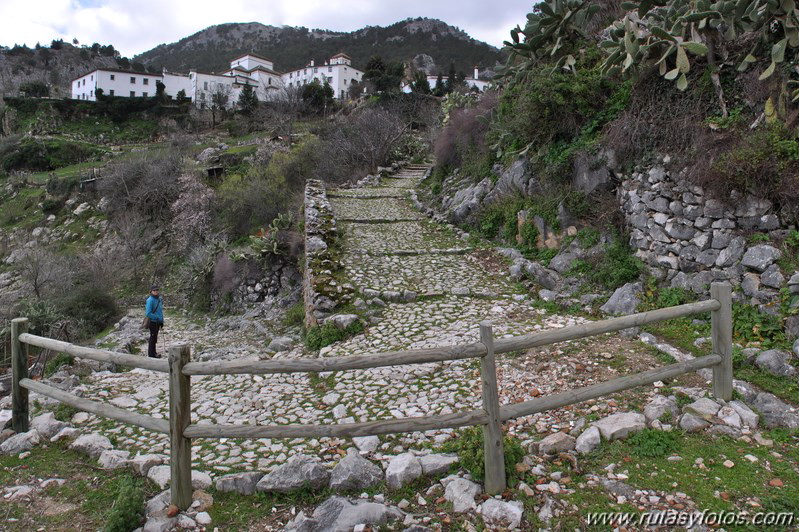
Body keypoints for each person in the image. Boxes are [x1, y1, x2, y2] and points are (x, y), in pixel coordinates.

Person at [145, 285, 164, 358]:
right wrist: (157, 318)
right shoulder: (150, 300)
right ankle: (151, 354)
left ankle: (154, 352)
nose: (156, 291)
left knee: (155, 338)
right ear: (151, 291)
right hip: (152, 322)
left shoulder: (159, 299)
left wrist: (161, 321)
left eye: (157, 290)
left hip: (158, 322)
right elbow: (148, 313)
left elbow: (160, 311)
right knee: (153, 338)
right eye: (154, 290)